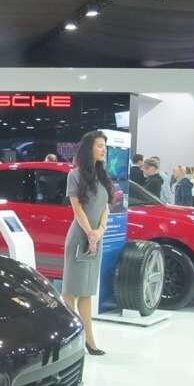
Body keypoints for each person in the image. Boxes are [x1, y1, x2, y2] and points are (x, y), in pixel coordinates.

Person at [62, 130, 113, 357]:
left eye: (104, 146)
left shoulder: (103, 176)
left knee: (87, 291)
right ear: (89, 148)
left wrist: (100, 231)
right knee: (71, 290)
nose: (104, 149)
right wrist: (90, 233)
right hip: (79, 238)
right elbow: (77, 209)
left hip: (96, 238)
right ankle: (69, 340)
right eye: (100, 145)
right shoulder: (74, 175)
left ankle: (89, 340)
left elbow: (105, 208)